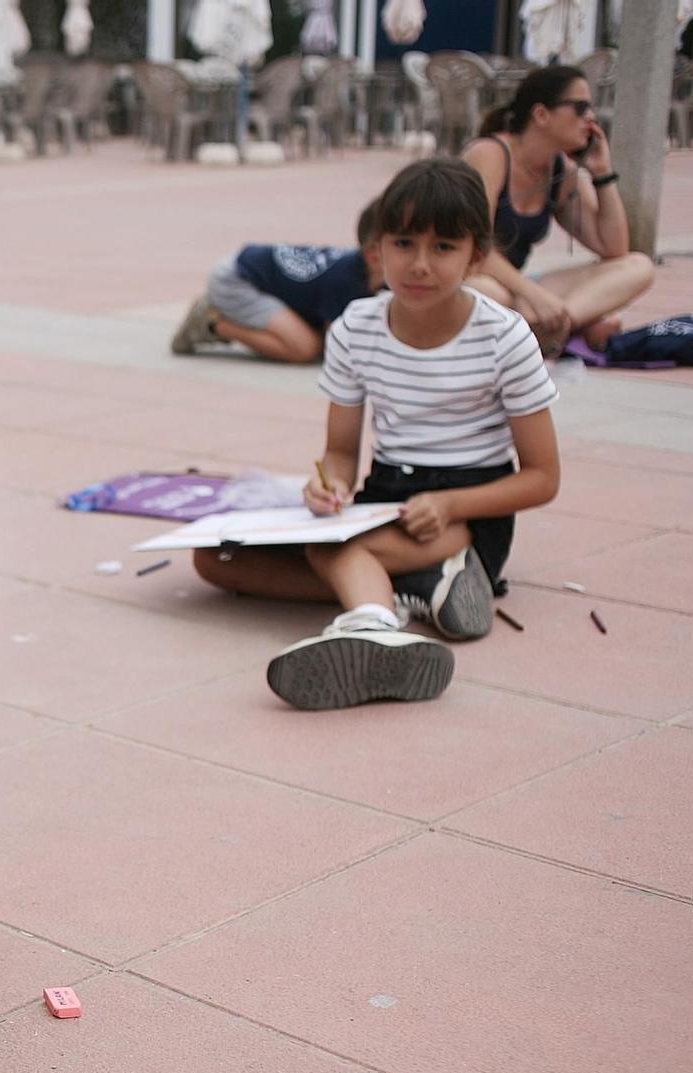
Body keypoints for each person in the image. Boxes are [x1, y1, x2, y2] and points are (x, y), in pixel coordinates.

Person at [193, 159, 561, 712]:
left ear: (476, 257)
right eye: (404, 243)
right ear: (377, 250)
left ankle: (372, 628)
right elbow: (340, 452)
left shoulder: (503, 337)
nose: (419, 264)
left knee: (336, 547)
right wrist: (329, 487)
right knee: (215, 561)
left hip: (469, 510)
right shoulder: (354, 328)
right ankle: (424, 588)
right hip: (385, 500)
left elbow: (543, 478)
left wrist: (449, 502)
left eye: (443, 247)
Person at [461, 64, 653, 354]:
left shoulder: (562, 171)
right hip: (471, 280)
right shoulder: (489, 154)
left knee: (639, 266)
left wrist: (602, 173)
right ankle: (557, 326)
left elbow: (613, 248)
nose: (590, 118)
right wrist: (534, 294)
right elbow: (473, 247)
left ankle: (550, 327)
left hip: (516, 293)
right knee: (488, 292)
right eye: (580, 107)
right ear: (541, 114)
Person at [172, 204, 385, 363]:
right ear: (373, 256)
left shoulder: (366, 272)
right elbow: (338, 347)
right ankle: (214, 323)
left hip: (256, 274)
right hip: (237, 280)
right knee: (305, 348)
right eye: (404, 245)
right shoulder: (346, 282)